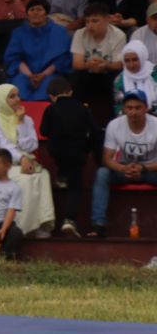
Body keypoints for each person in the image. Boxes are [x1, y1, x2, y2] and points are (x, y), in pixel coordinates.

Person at [0, 85, 55, 238]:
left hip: (24, 161)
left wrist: (21, 123)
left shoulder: (26, 118)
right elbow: (1, 145)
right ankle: (21, 228)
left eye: (17, 95)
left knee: (43, 175)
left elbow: (31, 145)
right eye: (12, 96)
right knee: (25, 180)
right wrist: (21, 157)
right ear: (1, 100)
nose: (17, 99)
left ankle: (40, 224)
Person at [88, 90, 156, 238]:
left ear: (146, 108)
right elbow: (107, 158)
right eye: (129, 108)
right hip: (124, 168)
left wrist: (143, 167)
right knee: (102, 173)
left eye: (138, 108)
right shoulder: (114, 125)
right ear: (124, 109)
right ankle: (98, 224)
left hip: (150, 169)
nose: (133, 112)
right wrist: (122, 168)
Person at [41, 76, 98, 237]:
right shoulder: (82, 108)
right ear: (71, 92)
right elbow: (94, 131)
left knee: (62, 163)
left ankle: (60, 176)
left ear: (51, 97)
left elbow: (44, 131)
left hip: (57, 151)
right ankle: (69, 220)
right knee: (75, 188)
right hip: (77, 153)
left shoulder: (50, 109)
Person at [5, 0, 72, 101]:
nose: (35, 13)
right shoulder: (18, 32)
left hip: (50, 74)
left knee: (46, 92)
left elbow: (63, 59)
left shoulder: (59, 31)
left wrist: (43, 75)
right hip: (25, 74)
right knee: (18, 90)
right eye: (32, 10)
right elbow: (14, 59)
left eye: (39, 9)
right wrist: (30, 75)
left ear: (46, 13)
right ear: (27, 14)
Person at [70, 4, 127, 108]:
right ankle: (78, 111)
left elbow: (119, 65)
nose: (90, 25)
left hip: (108, 73)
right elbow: (76, 64)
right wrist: (88, 65)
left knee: (117, 77)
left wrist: (105, 65)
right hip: (88, 72)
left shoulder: (119, 35)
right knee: (76, 77)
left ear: (107, 20)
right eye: (87, 21)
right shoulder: (79, 34)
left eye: (95, 21)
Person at [117, 40, 156, 113]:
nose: (131, 65)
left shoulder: (154, 74)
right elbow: (119, 107)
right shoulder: (119, 80)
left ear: (142, 57)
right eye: (127, 61)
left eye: (135, 59)